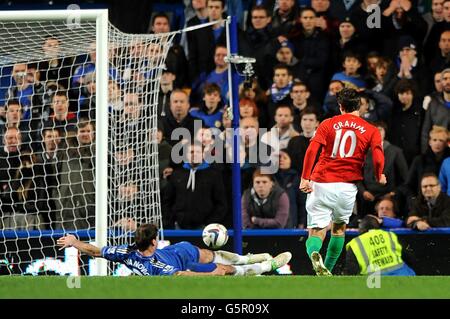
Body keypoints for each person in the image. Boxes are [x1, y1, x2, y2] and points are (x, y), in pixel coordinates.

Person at [299, 88, 387, 276]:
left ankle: (315, 253)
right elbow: (378, 155)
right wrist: (380, 175)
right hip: (347, 187)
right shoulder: (371, 129)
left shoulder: (327, 124)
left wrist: (304, 177)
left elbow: (312, 150)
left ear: (340, 106)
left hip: (321, 183)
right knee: (339, 229)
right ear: (360, 106)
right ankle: (327, 271)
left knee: (316, 231)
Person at [57, 223, 292, 276]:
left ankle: (247, 257)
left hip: (180, 250)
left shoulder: (126, 253)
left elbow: (97, 251)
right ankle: (267, 265)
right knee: (224, 267)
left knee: (213, 253)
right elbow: (181, 275)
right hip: (183, 262)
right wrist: (211, 274)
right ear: (153, 243)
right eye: (156, 237)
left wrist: (75, 242)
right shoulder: (158, 267)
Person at [343, 215, 416, 276]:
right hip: (403, 276)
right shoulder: (390, 235)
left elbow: (351, 272)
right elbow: (409, 257)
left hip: (376, 283)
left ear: (360, 229)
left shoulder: (355, 243)